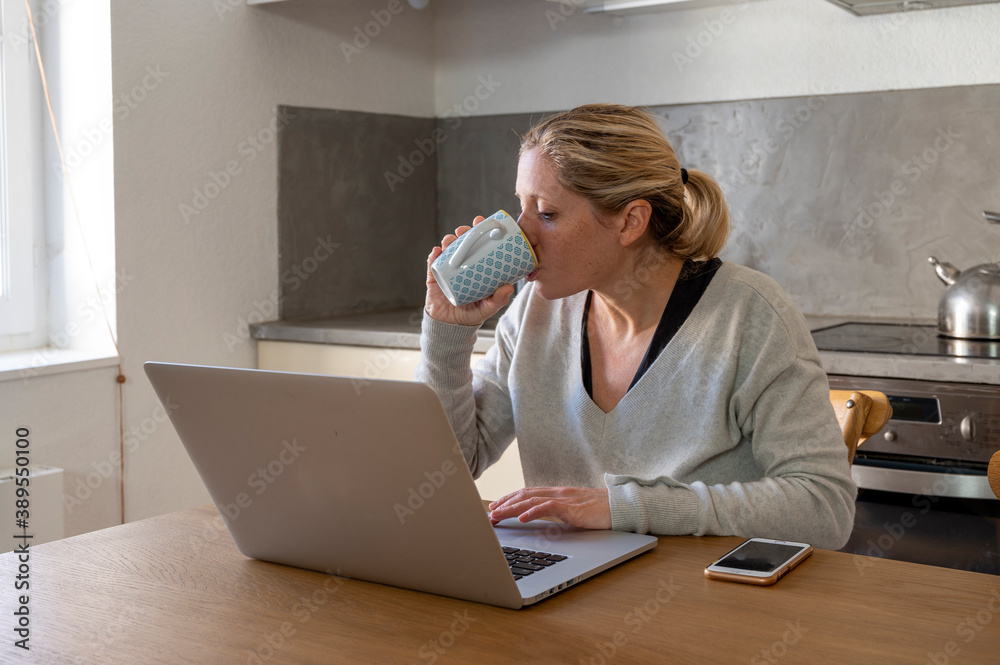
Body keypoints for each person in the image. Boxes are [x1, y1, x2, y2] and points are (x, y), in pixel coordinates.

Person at [416, 104, 856, 550]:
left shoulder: (749, 315)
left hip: (707, 601)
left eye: (546, 213)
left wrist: (626, 508)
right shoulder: (533, 312)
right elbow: (447, 467)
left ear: (630, 221)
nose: (520, 231)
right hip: (567, 589)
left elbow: (823, 507)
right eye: (520, 206)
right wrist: (446, 333)